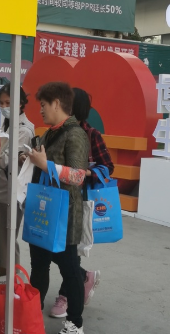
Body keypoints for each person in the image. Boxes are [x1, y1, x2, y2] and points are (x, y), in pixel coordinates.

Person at [26, 82, 89, 334]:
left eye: (43, 105)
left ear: (56, 103)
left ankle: (75, 323)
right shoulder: (48, 133)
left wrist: (45, 165)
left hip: (65, 214)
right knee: (39, 266)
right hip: (43, 211)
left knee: (70, 270)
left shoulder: (75, 134)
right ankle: (33, 316)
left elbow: (78, 175)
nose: (40, 110)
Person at [50, 88, 114, 319]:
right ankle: (83, 276)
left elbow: (107, 167)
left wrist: (84, 172)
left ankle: (67, 295)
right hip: (56, 199)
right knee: (51, 249)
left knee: (70, 249)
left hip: (79, 201)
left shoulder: (90, 134)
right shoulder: (54, 132)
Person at [0, 84, 34, 276]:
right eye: (1, 103)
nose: (4, 107)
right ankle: (4, 274)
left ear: (21, 103)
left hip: (11, 193)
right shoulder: (7, 124)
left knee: (7, 240)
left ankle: (13, 280)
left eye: (8, 103)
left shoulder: (24, 130)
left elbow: (8, 160)